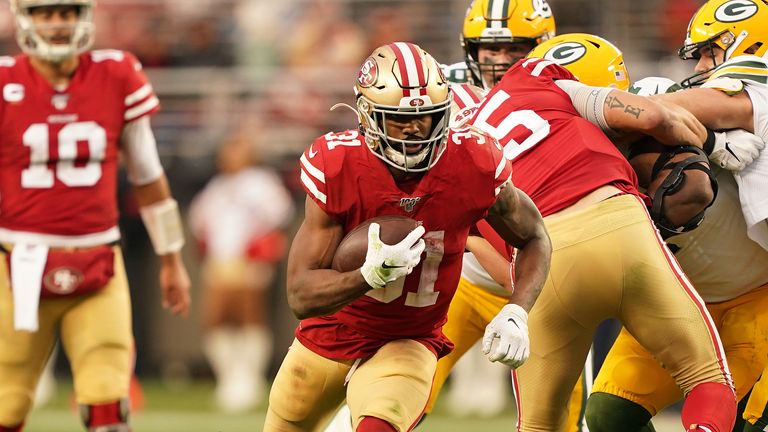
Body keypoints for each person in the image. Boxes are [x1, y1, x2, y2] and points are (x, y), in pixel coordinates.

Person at [263, 41, 553, 432]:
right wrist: (368, 276)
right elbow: (300, 294)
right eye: (398, 120)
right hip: (331, 334)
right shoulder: (337, 164)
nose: (415, 130)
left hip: (410, 339)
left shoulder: (474, 162)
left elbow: (534, 236)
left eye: (428, 118)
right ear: (367, 115)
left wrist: (518, 309)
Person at [467, 34, 738, 431]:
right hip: (615, 222)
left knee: (538, 425)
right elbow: (650, 118)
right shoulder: (543, 75)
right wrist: (710, 141)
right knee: (708, 380)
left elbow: (499, 263)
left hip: (542, 271)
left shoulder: (464, 143)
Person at [0, 1, 191, 431]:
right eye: (45, 13)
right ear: (23, 18)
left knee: (108, 400)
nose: (57, 24)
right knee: (6, 403)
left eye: (66, 12)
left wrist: (172, 258)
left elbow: (149, 176)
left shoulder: (116, 73)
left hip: (98, 261)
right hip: (15, 261)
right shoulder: (4, 81)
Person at [582, 0, 768, 430]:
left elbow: (669, 110)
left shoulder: (751, 82)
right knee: (609, 413)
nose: (701, 65)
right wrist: (707, 141)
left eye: (707, 52)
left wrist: (694, 136)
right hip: (683, 302)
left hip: (756, 294)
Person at [189, 131, 294, 413]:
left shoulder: (261, 183)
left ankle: (250, 379)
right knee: (215, 320)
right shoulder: (218, 185)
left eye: (237, 150)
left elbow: (279, 215)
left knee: (250, 318)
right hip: (220, 260)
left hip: (250, 260)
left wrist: (261, 249)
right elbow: (198, 220)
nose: (230, 156)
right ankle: (229, 377)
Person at [443, 0, 555, 88]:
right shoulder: (446, 85)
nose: (502, 61)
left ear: (542, 47)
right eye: (493, 49)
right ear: (473, 51)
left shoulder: (563, 87)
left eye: (515, 48)